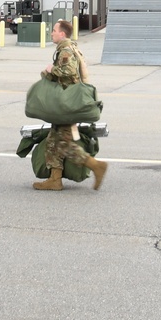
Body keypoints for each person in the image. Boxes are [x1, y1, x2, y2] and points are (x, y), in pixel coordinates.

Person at [33, 19, 107, 192]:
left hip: (67, 104)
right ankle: (54, 179)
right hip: (66, 103)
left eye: (54, 30)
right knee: (54, 140)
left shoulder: (66, 50)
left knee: (64, 142)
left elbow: (69, 72)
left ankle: (95, 166)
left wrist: (51, 71)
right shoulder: (69, 48)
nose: (51, 33)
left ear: (62, 34)